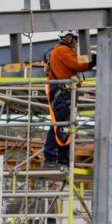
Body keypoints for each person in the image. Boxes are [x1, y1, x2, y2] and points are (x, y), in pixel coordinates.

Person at [43, 31, 95, 166]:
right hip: (62, 91)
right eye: (75, 39)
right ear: (68, 38)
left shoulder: (60, 51)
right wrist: (93, 59)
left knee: (65, 125)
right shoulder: (62, 50)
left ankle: (62, 158)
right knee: (60, 124)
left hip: (64, 91)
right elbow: (79, 65)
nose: (77, 42)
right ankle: (50, 157)